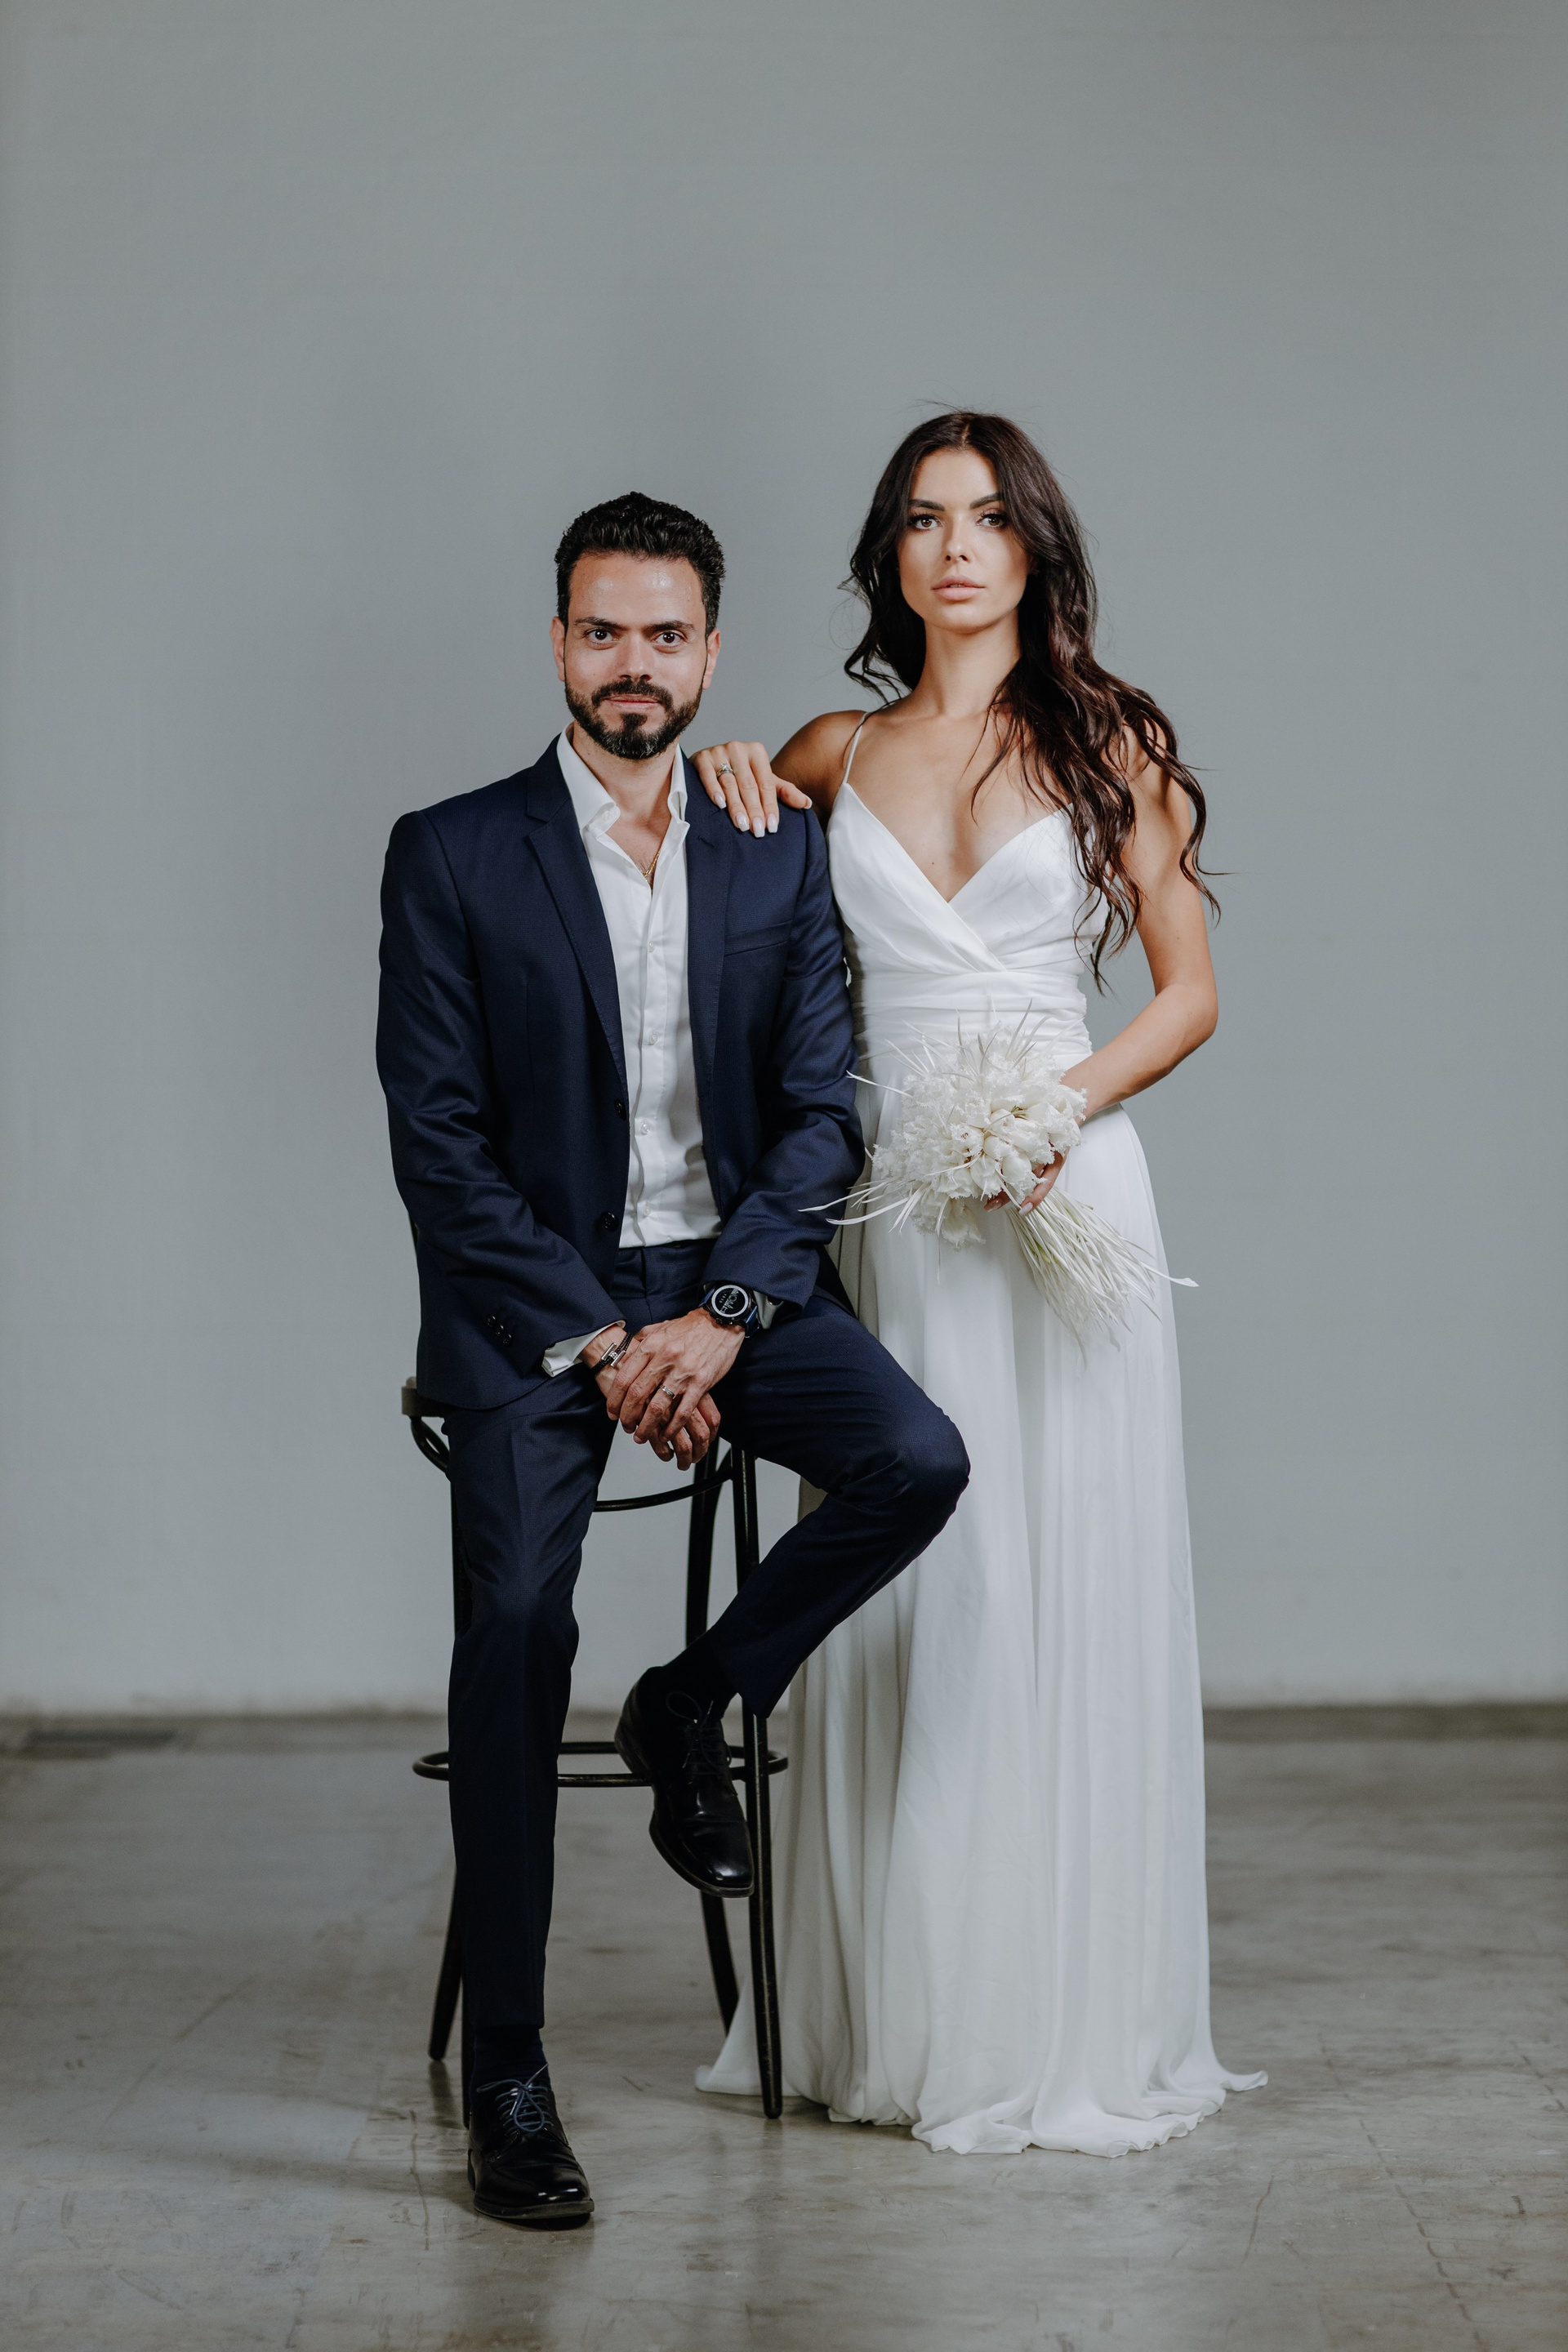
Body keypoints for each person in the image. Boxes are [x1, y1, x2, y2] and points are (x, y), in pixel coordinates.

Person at [376, 492, 969, 2225]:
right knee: (514, 1620)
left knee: (915, 1460)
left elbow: (824, 1115)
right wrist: (603, 1338)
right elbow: (440, 1147)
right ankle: (510, 2072)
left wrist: (719, 1319)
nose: (631, 664)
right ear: (558, 643)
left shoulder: (776, 841)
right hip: (531, 1311)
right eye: (601, 632)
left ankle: (691, 1695)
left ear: (712, 650)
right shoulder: (453, 852)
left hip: (729, 1288)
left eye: (664, 634)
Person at [692, 414, 1264, 2155]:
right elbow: (725, 930)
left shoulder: (1110, 740)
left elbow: (1186, 994)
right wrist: (732, 774)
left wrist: (1051, 1113)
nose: (957, 547)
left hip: (1058, 1195)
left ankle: (1059, 2015)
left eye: (989, 516)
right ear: (893, 552)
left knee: (1058, 1573)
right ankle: (901, 2013)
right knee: (917, 1586)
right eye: (926, 519)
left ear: (1034, 548)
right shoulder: (835, 747)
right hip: (892, 1216)